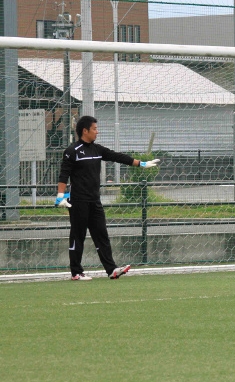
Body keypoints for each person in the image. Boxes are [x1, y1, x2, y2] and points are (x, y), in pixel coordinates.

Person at [55, 115, 160, 281]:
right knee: (78, 235)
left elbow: (117, 156)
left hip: (94, 201)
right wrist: (60, 196)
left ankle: (111, 269)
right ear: (85, 131)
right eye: (95, 129)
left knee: (101, 235)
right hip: (78, 201)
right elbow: (64, 174)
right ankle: (76, 272)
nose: (98, 131)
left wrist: (142, 164)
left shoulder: (97, 149)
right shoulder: (72, 151)